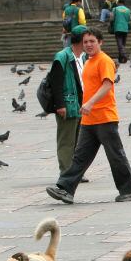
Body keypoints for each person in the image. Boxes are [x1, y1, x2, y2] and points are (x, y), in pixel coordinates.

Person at [46, 27, 131, 204]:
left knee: (115, 155)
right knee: (80, 157)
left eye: (92, 41)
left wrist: (90, 103)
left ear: (100, 42)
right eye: (86, 42)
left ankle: (128, 190)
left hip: (105, 118)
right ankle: (65, 189)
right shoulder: (89, 61)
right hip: (89, 119)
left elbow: (107, 85)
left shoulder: (104, 61)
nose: (88, 45)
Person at [48, 25, 87, 175]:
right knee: (66, 141)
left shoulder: (83, 57)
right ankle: (66, 171)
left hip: (81, 104)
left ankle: (76, 171)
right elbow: (55, 82)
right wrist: (60, 105)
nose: (89, 44)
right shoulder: (62, 56)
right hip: (67, 104)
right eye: (87, 40)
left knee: (79, 141)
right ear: (80, 41)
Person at [111, 0, 131, 64]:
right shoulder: (128, 10)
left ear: (118, 3)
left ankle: (124, 55)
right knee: (123, 43)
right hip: (125, 28)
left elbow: (111, 18)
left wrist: (111, 24)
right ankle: (120, 58)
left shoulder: (115, 9)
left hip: (118, 28)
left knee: (119, 43)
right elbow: (128, 19)